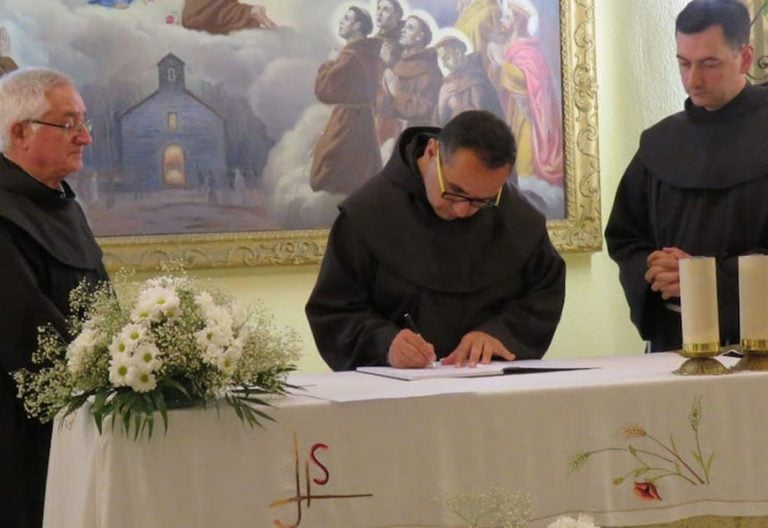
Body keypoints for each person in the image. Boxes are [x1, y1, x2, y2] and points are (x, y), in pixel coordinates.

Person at [306, 110, 565, 371]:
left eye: (483, 200)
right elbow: (334, 311)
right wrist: (386, 344)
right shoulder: (367, 213)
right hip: (393, 396)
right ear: (432, 152)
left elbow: (543, 295)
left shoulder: (517, 216)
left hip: (491, 390)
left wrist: (498, 335)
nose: (463, 210)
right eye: (455, 191)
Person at [605, 0, 764, 352]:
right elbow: (624, 237)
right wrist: (654, 268)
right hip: (675, 339)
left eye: (709, 64)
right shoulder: (660, 143)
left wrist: (703, 279)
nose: (693, 79)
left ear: (746, 57)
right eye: (684, 63)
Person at [0, 67, 109, 528]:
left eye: (84, 123)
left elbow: (103, 307)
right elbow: (25, 330)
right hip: (19, 430)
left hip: (79, 419)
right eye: (69, 124)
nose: (83, 138)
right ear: (20, 132)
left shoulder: (65, 206)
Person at [310, 6, 383, 195]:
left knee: (329, 167)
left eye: (347, 19)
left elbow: (324, 91)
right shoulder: (368, 52)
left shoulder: (350, 57)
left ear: (357, 26)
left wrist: (330, 62)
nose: (341, 21)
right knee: (360, 169)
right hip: (363, 118)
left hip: (347, 120)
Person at [379, 15, 443, 128]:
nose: (402, 30)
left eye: (410, 27)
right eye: (404, 27)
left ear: (420, 36)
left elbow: (423, 108)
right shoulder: (399, 62)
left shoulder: (429, 70)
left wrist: (398, 94)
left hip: (412, 132)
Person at [434, 36, 503, 125]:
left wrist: (456, 106)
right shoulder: (448, 81)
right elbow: (441, 123)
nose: (444, 65)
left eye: (446, 58)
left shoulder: (476, 79)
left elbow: (479, 118)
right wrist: (441, 105)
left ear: (458, 53)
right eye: (442, 60)